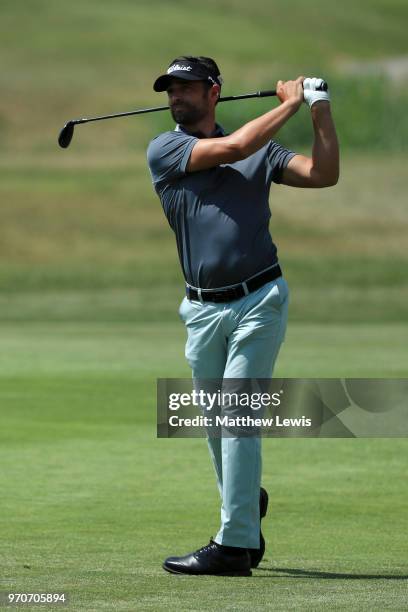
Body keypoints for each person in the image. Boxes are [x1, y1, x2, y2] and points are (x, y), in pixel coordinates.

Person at [147, 56, 339, 576]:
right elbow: (234, 147)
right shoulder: (167, 149)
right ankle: (246, 505)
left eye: (187, 88)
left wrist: (318, 110)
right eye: (171, 90)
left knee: (236, 415)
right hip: (202, 310)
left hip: (259, 301)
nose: (176, 97)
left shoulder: (264, 150)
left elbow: (323, 174)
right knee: (215, 424)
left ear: (214, 92)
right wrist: (291, 104)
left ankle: (234, 546)